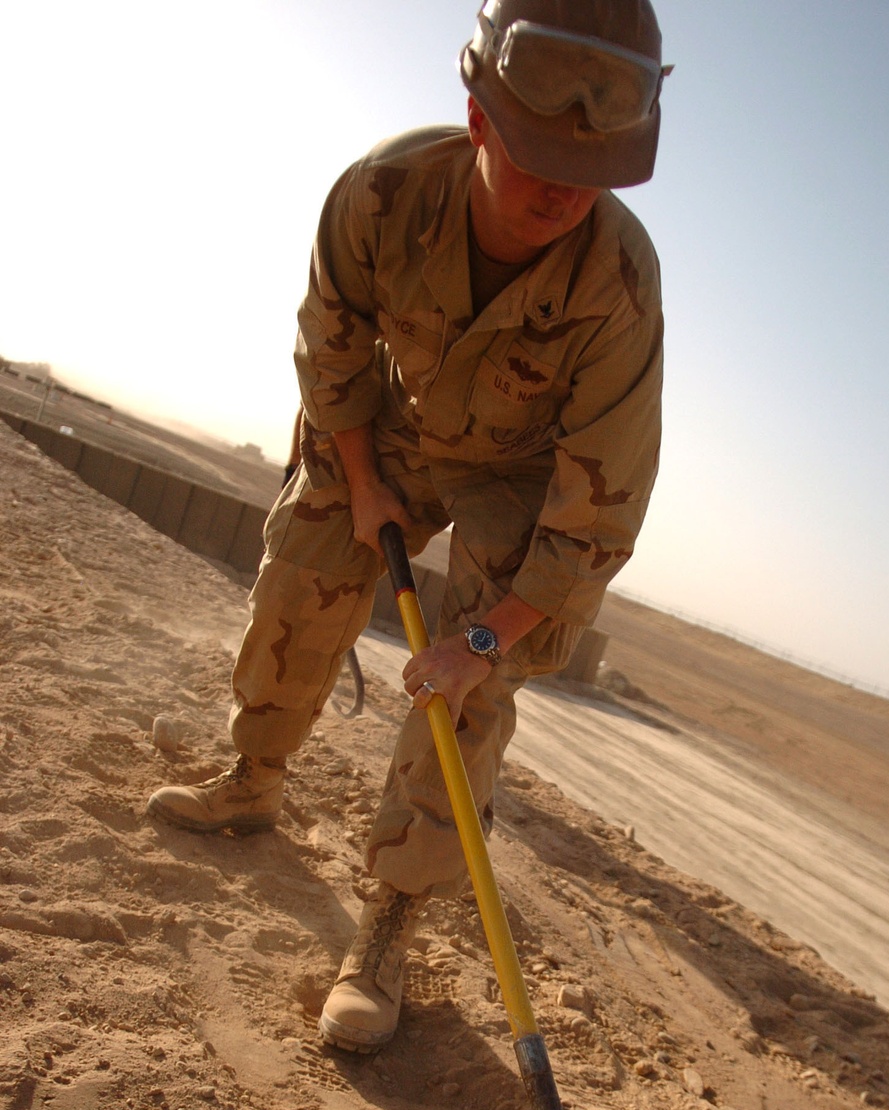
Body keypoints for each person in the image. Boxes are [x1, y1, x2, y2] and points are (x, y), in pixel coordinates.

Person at [147, 0, 668, 1054]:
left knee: (467, 692)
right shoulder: (382, 194)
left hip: (521, 483)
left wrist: (479, 641)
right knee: (304, 564)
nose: (566, 190)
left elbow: (594, 518)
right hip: (391, 425)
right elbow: (329, 347)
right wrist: (359, 479)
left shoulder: (617, 288)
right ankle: (253, 779)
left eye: (593, 168)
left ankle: (389, 918)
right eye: (537, 159)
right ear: (478, 121)